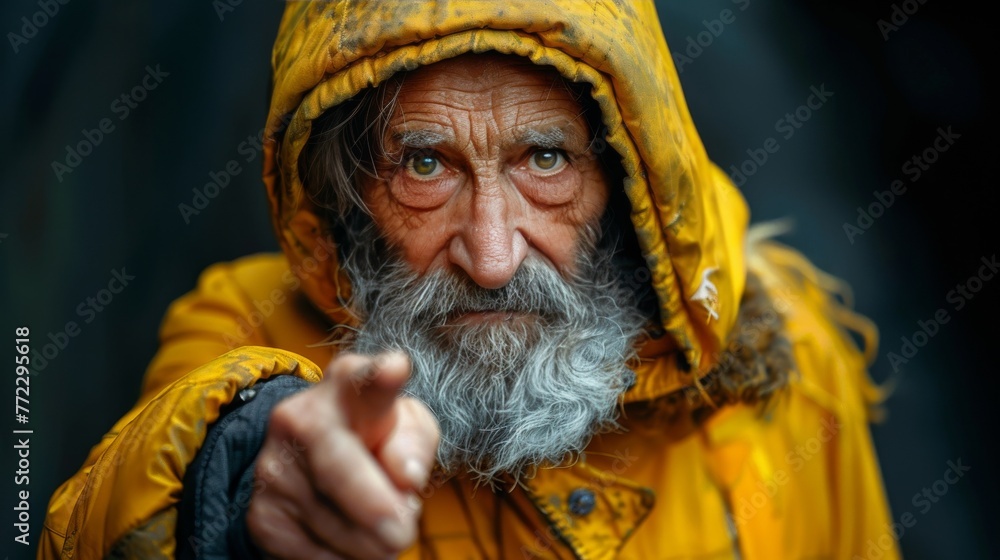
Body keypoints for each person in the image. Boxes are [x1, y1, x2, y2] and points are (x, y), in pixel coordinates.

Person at [41, 1, 899, 558]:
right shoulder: (248, 324)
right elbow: (135, 496)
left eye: (547, 160)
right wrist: (240, 483)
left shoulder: (787, 354)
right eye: (424, 164)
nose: (491, 257)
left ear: (630, 185)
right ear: (348, 198)